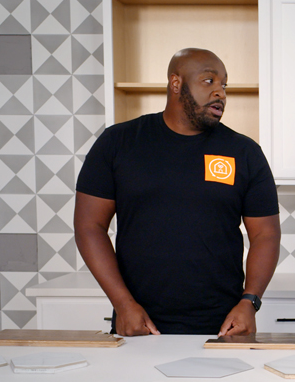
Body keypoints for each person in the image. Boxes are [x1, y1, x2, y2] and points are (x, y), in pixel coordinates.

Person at [75, 48, 280, 337]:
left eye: (224, 85)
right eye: (209, 81)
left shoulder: (244, 152)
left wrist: (250, 301)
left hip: (224, 326)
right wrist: (122, 303)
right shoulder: (118, 142)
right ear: (176, 83)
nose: (220, 93)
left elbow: (266, 235)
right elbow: (89, 226)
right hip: (139, 323)